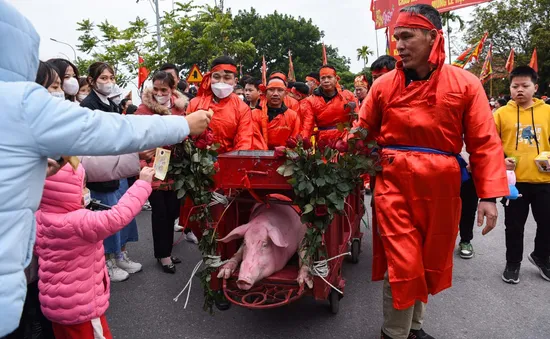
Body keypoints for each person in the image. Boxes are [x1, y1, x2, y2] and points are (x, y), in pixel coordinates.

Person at [0, 2, 212, 335]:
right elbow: (113, 132)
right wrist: (182, 125)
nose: (61, 89)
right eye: (55, 83)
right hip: (50, 300)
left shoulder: (45, 211)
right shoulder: (19, 102)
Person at [356, 5, 508, 339]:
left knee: (428, 259)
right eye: (397, 37)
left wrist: (488, 195)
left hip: (441, 185)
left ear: (432, 36)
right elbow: (361, 134)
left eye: (407, 36)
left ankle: (414, 327)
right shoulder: (383, 87)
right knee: (404, 263)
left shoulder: (465, 84)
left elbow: (484, 141)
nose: (399, 45)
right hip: (393, 183)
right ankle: (393, 333)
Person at [34, 164, 155, 339]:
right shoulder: (79, 221)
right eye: (82, 185)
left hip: (54, 305)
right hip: (81, 308)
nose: (86, 190)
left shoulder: (39, 217)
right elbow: (118, 217)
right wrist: (142, 185)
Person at [135, 71, 198, 273]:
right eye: (156, 89)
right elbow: (136, 137)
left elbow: (188, 131)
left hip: (177, 166)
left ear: (173, 89)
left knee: (172, 210)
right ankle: (162, 255)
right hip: (154, 164)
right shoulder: (143, 110)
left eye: (164, 89)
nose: (160, 93)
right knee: (160, 211)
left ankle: (167, 250)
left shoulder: (181, 108)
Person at [494, 66, 550, 284]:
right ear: (509, 88)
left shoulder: (547, 112)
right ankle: (513, 263)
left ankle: (541, 256)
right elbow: (489, 144)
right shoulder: (501, 114)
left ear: (535, 87)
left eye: (525, 86)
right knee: (514, 226)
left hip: (544, 180)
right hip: (513, 183)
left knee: (547, 223)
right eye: (515, 86)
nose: (519, 90)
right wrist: (501, 160)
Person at [186, 55, 255, 153]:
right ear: (210, 78)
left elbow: (245, 143)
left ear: (235, 81)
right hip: (198, 164)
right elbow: (186, 136)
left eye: (227, 78)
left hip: (230, 163)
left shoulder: (242, 108)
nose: (221, 82)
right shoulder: (195, 103)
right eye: (217, 77)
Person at [300, 65, 358, 143]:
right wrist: (304, 141)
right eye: (323, 78)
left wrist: (351, 137)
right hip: (323, 142)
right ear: (319, 80)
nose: (326, 80)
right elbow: (308, 124)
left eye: (329, 77)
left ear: (336, 79)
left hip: (345, 139)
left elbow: (357, 119)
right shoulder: (311, 100)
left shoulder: (348, 96)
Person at [251, 76, 300, 150]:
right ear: (265, 92)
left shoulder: (293, 116)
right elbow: (254, 141)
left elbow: (295, 142)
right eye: (271, 90)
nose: (275, 94)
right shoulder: (254, 114)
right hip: (260, 157)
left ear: (286, 93)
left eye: (280, 90)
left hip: (285, 158)